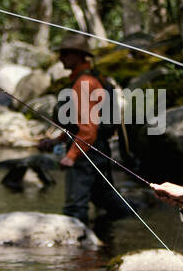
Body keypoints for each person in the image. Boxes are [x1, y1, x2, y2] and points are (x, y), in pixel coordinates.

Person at [38, 34, 131, 228]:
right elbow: (80, 125)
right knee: (106, 198)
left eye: (65, 53)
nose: (61, 58)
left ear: (79, 56)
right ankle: (132, 225)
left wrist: (71, 157)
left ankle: (75, 251)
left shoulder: (84, 83)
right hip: (98, 150)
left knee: (75, 208)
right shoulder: (91, 78)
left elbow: (88, 131)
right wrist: (59, 141)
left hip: (86, 153)